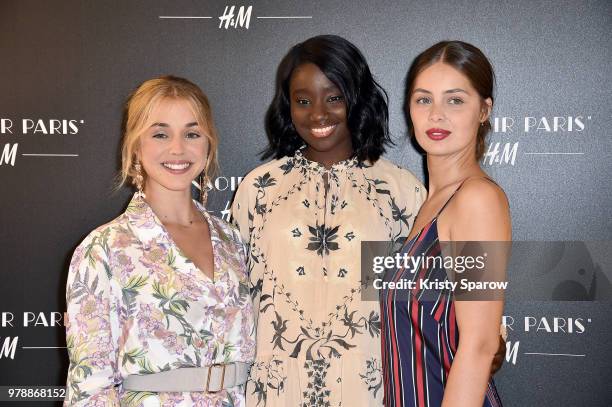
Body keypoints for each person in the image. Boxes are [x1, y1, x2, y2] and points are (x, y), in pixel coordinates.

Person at [231, 35, 425, 406]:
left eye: (333, 97)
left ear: (357, 97)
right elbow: (235, 294)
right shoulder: (260, 188)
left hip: (369, 390)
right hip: (275, 392)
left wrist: (492, 333)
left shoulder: (400, 190)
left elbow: (441, 287)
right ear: (287, 106)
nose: (318, 114)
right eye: (303, 101)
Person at [64, 76, 255, 406]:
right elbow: (89, 387)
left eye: (192, 134)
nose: (178, 148)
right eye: (160, 134)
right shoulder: (104, 249)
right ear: (137, 145)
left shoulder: (233, 242)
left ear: (208, 144)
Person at [380, 41, 510, 407]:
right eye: (424, 100)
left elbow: (481, 345)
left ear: (484, 110)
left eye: (455, 100)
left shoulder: (477, 199)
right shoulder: (428, 205)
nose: (436, 115)